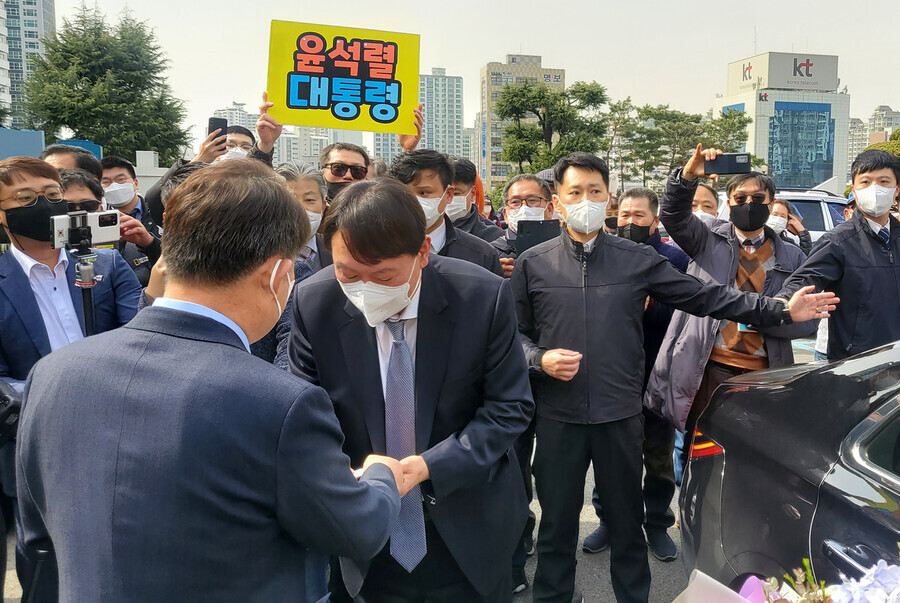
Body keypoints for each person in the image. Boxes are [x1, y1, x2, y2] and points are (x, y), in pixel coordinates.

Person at [15, 158, 404, 602]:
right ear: (278, 276)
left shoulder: (54, 373)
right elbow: (356, 530)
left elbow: (36, 546)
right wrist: (380, 476)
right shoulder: (280, 403)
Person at [511, 152, 835, 603]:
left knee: (627, 529)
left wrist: (779, 308)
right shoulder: (533, 263)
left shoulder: (635, 259)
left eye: (595, 192)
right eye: (574, 193)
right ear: (558, 201)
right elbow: (516, 337)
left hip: (621, 417)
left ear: (608, 201)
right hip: (558, 418)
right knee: (556, 529)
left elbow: (707, 296)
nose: (585, 200)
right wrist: (539, 359)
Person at [287, 177, 533, 602]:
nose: (364, 288)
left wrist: (430, 465)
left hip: (466, 515)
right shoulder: (315, 301)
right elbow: (306, 408)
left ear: (422, 251)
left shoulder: (480, 296)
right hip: (362, 524)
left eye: (382, 275)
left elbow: (508, 407)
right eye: (348, 273)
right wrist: (340, 474)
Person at [0, 157, 142, 592]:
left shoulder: (105, 265)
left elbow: (141, 338)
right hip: (34, 451)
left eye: (52, 195)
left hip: (118, 441)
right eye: (26, 198)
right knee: (48, 573)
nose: (44, 205)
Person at [645, 144, 820, 470]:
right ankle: (692, 516)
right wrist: (687, 177)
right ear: (729, 203)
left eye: (757, 199)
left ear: (771, 203)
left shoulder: (792, 256)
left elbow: (805, 318)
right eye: (740, 199)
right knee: (698, 454)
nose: (748, 205)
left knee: (751, 461)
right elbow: (673, 215)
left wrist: (767, 318)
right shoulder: (707, 238)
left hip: (764, 376)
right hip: (707, 368)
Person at [581, 187, 690, 562]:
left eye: (638, 216)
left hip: (656, 375)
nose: (629, 222)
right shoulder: (605, 256)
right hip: (612, 377)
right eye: (624, 215)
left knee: (658, 457)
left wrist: (653, 302)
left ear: (655, 220)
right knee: (609, 456)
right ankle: (608, 520)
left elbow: (683, 314)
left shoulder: (674, 258)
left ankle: (657, 524)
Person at [777, 149, 900, 361]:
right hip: (856, 364)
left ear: (896, 189)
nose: (875, 189)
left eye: (883, 181)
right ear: (854, 189)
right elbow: (804, 279)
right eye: (866, 182)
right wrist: (782, 303)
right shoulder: (838, 241)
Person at [390, 150, 504, 277]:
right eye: (404, 194)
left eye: (424, 193)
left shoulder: (481, 254)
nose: (414, 202)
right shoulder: (378, 249)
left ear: (448, 194)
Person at [60, 168, 154, 287]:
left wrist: (150, 244)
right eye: (69, 207)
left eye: (88, 205)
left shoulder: (129, 246)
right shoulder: (47, 256)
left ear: (100, 207)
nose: (79, 213)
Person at [100, 156, 162, 271]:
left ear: (136, 183)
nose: (114, 186)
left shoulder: (158, 211)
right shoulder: (98, 223)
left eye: (121, 180)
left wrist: (150, 242)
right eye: (106, 182)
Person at [490, 174, 558, 278]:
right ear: (506, 214)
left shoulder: (567, 251)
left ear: (550, 209)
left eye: (533, 200)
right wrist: (493, 275)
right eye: (515, 202)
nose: (524, 208)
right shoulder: (491, 254)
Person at [275, 160, 332, 272]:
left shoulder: (337, 251)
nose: (300, 209)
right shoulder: (254, 256)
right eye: (290, 200)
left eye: (309, 200)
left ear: (323, 206)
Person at [446, 157, 504, 243]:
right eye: (443, 194)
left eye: (456, 194)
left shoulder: (493, 238)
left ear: (472, 194)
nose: (448, 199)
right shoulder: (422, 233)